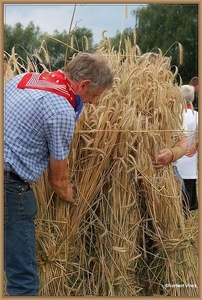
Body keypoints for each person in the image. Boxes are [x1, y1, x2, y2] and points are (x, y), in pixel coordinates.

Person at [4, 51, 114, 296]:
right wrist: (71, 195)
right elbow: (57, 180)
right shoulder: (61, 110)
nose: (93, 102)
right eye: (94, 95)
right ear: (83, 84)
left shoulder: (21, 80)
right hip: (10, 189)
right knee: (23, 278)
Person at [175, 84, 198, 211]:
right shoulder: (196, 115)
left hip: (176, 159)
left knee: (177, 191)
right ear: (192, 98)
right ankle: (186, 214)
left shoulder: (173, 114)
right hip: (190, 160)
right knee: (188, 190)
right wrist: (195, 145)